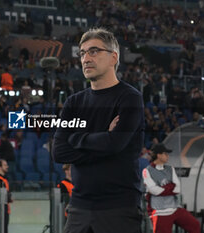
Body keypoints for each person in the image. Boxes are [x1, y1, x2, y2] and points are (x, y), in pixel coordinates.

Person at [52, 28, 144, 233]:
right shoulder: (73, 103)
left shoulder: (130, 98)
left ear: (113, 57)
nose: (86, 58)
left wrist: (76, 138)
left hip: (118, 208)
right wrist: (103, 136)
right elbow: (59, 152)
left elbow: (115, 144)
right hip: (79, 207)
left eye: (93, 51)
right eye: (82, 53)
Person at [142, 143, 200, 233]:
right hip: (159, 210)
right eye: (165, 153)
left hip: (175, 207)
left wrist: (163, 188)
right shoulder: (147, 171)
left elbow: (178, 188)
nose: (167, 156)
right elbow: (154, 190)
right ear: (158, 155)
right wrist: (170, 187)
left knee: (195, 225)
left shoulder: (170, 169)